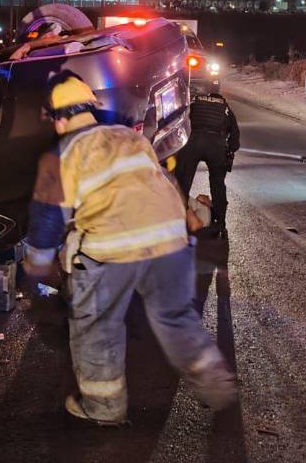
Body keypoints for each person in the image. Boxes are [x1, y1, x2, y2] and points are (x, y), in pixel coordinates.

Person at [20, 71, 238, 425]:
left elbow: (47, 222)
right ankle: (216, 381)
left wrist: (37, 267)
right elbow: (162, 180)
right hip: (170, 242)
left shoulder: (63, 154)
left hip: (111, 249)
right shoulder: (128, 136)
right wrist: (188, 218)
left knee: (97, 324)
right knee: (175, 317)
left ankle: (104, 407)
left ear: (59, 118)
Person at [174, 80, 240, 236]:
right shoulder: (226, 109)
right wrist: (230, 149)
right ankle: (221, 224)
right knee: (217, 184)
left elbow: (181, 122)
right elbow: (235, 138)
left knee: (182, 183)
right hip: (216, 144)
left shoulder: (195, 103)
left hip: (193, 140)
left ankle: (178, 222)